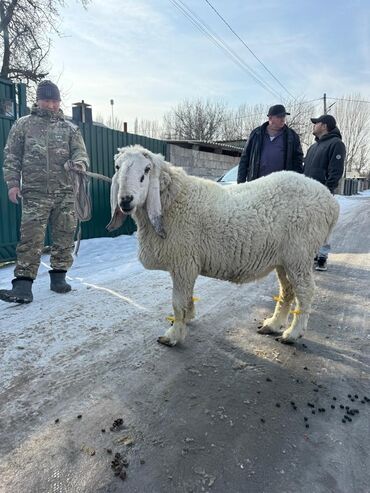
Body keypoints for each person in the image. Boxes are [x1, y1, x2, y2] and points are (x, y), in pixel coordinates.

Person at [0, 80, 89, 304]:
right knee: (31, 237)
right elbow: (12, 156)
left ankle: (59, 277)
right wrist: (13, 184)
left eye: (54, 100)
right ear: (38, 100)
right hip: (35, 192)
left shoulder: (70, 129)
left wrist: (79, 164)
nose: (50, 104)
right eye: (46, 100)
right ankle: (22, 286)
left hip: (66, 192)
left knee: (64, 235)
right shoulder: (23, 125)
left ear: (59, 102)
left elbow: (81, 154)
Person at [304, 114, 346, 271]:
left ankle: (322, 257)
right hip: (307, 194)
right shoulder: (313, 147)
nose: (314, 125)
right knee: (309, 227)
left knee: (323, 226)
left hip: (322, 194)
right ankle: (312, 254)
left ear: (325, 125)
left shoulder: (336, 144)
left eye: (316, 123)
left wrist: (327, 192)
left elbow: (336, 171)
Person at [237, 104, 303, 183]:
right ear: (270, 118)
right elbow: (245, 158)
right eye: (279, 117)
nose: (283, 119)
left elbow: (298, 160)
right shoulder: (256, 134)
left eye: (284, 116)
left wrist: (296, 182)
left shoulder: (292, 136)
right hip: (257, 183)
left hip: (282, 185)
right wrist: (241, 183)